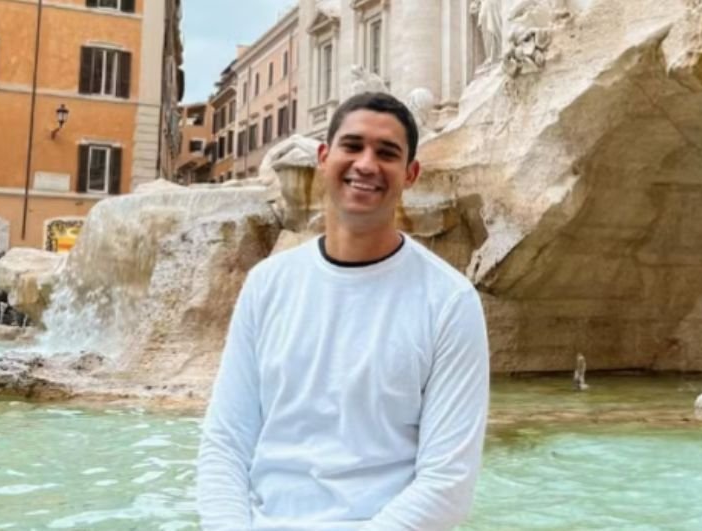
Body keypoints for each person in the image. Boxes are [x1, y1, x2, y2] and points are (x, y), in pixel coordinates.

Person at [197, 92, 490, 530]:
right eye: (352, 146)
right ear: (323, 158)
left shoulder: (451, 301)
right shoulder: (266, 284)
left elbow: (448, 483)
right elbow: (225, 442)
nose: (366, 164)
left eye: (386, 153)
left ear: (410, 174)